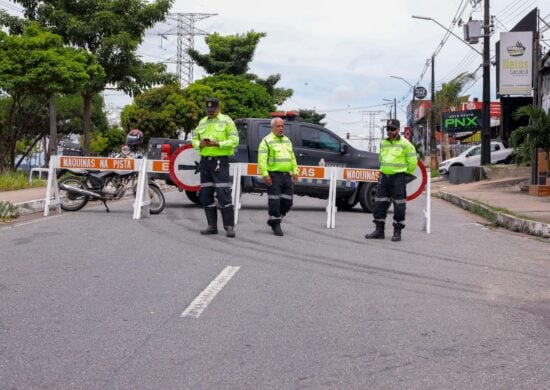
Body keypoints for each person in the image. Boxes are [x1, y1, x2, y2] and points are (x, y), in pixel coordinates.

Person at [192, 98, 239, 238]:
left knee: (223, 194)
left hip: (220, 162)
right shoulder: (202, 122)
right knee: (205, 195)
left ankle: (229, 227)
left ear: (219, 108)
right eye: (208, 110)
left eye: (212, 110)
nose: (210, 112)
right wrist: (199, 144)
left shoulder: (227, 120)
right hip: (205, 162)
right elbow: (194, 138)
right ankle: (212, 226)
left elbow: (235, 140)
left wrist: (218, 144)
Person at [365, 119, 418, 242]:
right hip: (384, 177)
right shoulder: (383, 143)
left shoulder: (406, 144)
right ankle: (379, 231)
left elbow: (413, 162)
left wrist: (405, 176)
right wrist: (382, 170)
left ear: (398, 130)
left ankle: (397, 231)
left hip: (398, 178)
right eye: (388, 129)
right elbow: (381, 159)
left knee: (399, 205)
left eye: (392, 129)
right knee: (379, 203)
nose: (390, 131)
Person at [258, 117, 299, 236]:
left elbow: (292, 158)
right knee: (274, 201)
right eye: (278, 126)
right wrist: (265, 175)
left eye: (282, 126)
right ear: (272, 127)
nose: (281, 128)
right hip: (273, 175)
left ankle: (274, 220)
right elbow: (262, 160)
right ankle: (276, 224)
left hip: (287, 175)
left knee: (288, 201)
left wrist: (295, 172)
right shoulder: (266, 141)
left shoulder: (287, 140)